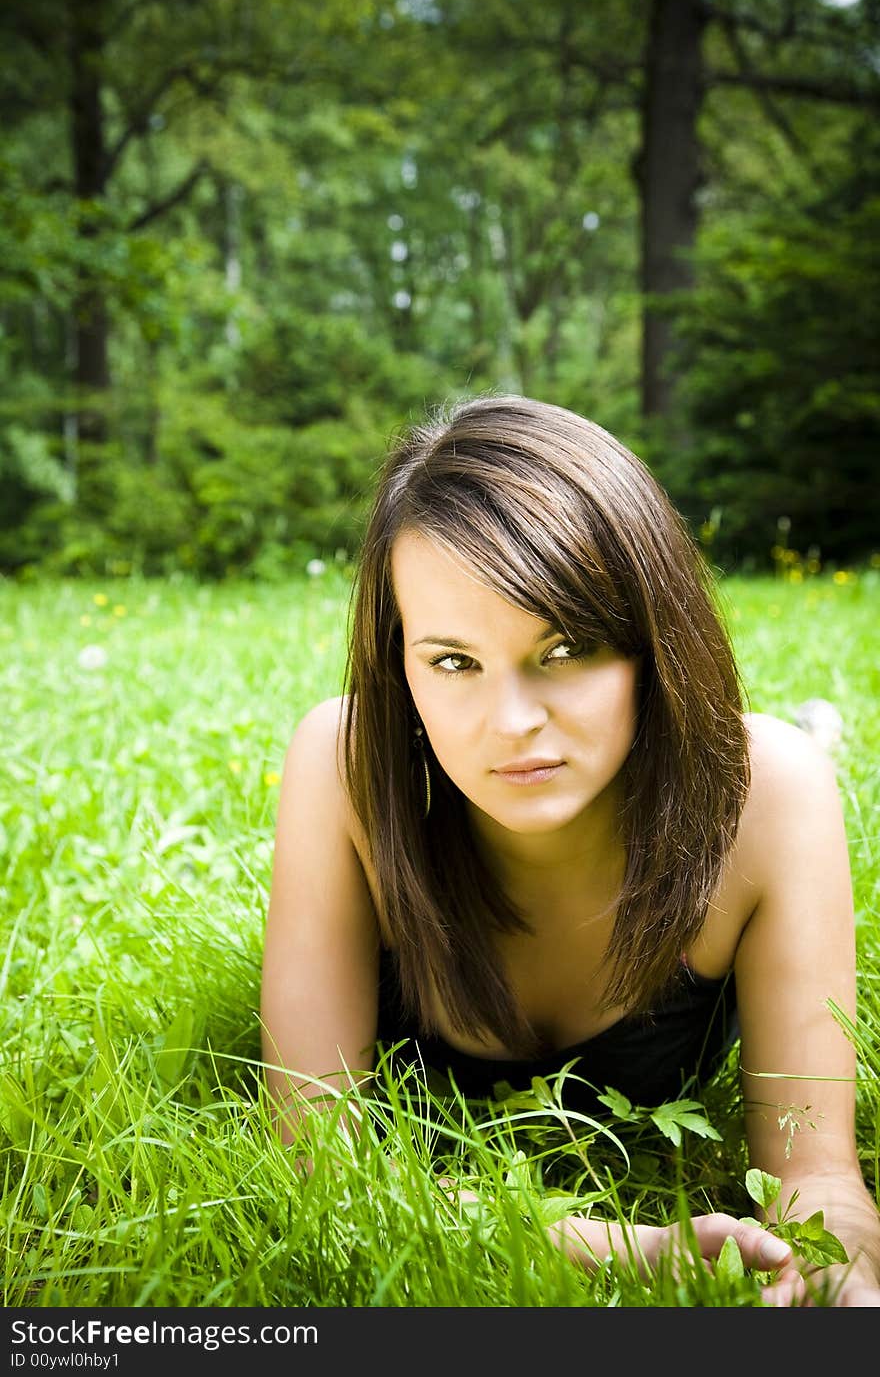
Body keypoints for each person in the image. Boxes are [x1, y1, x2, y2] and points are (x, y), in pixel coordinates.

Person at [260, 393, 880, 1306]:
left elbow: (817, 1174)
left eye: (565, 648)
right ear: (398, 662)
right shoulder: (349, 765)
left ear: (653, 642)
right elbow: (314, 1164)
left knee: (787, 751)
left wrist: (841, 1279)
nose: (511, 725)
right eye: (453, 662)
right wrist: (629, 1248)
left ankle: (826, 726)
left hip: (725, 777)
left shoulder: (771, 798)